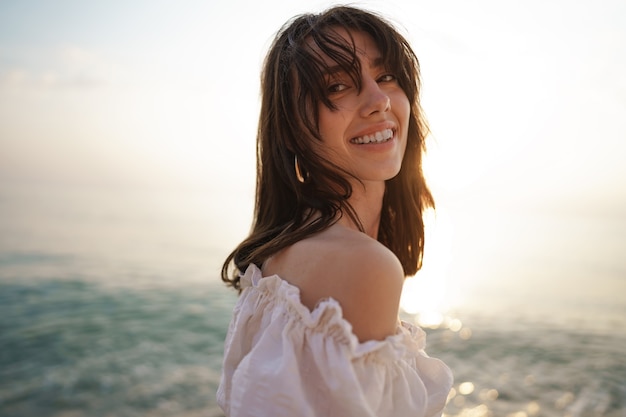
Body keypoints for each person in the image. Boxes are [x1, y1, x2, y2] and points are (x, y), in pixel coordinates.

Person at [217, 5, 452, 417]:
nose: (378, 100)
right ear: (290, 125)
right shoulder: (363, 265)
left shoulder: (284, 248)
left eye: (386, 76)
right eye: (338, 87)